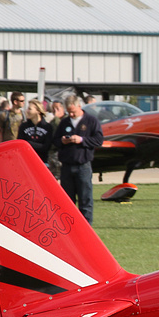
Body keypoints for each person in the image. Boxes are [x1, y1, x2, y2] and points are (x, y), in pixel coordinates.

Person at [56, 94, 103, 224]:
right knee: (67, 200)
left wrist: (81, 140)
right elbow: (55, 141)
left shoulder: (91, 121)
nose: (71, 114)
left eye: (73, 112)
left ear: (79, 106)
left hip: (83, 165)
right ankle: (68, 227)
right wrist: (62, 141)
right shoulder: (64, 122)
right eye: (69, 112)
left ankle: (87, 227)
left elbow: (99, 140)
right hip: (66, 166)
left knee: (85, 199)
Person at [47, 100, 66, 177]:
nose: (55, 111)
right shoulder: (52, 121)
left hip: (61, 153)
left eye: (57, 108)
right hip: (52, 153)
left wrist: (56, 118)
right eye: (53, 108)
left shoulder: (65, 120)